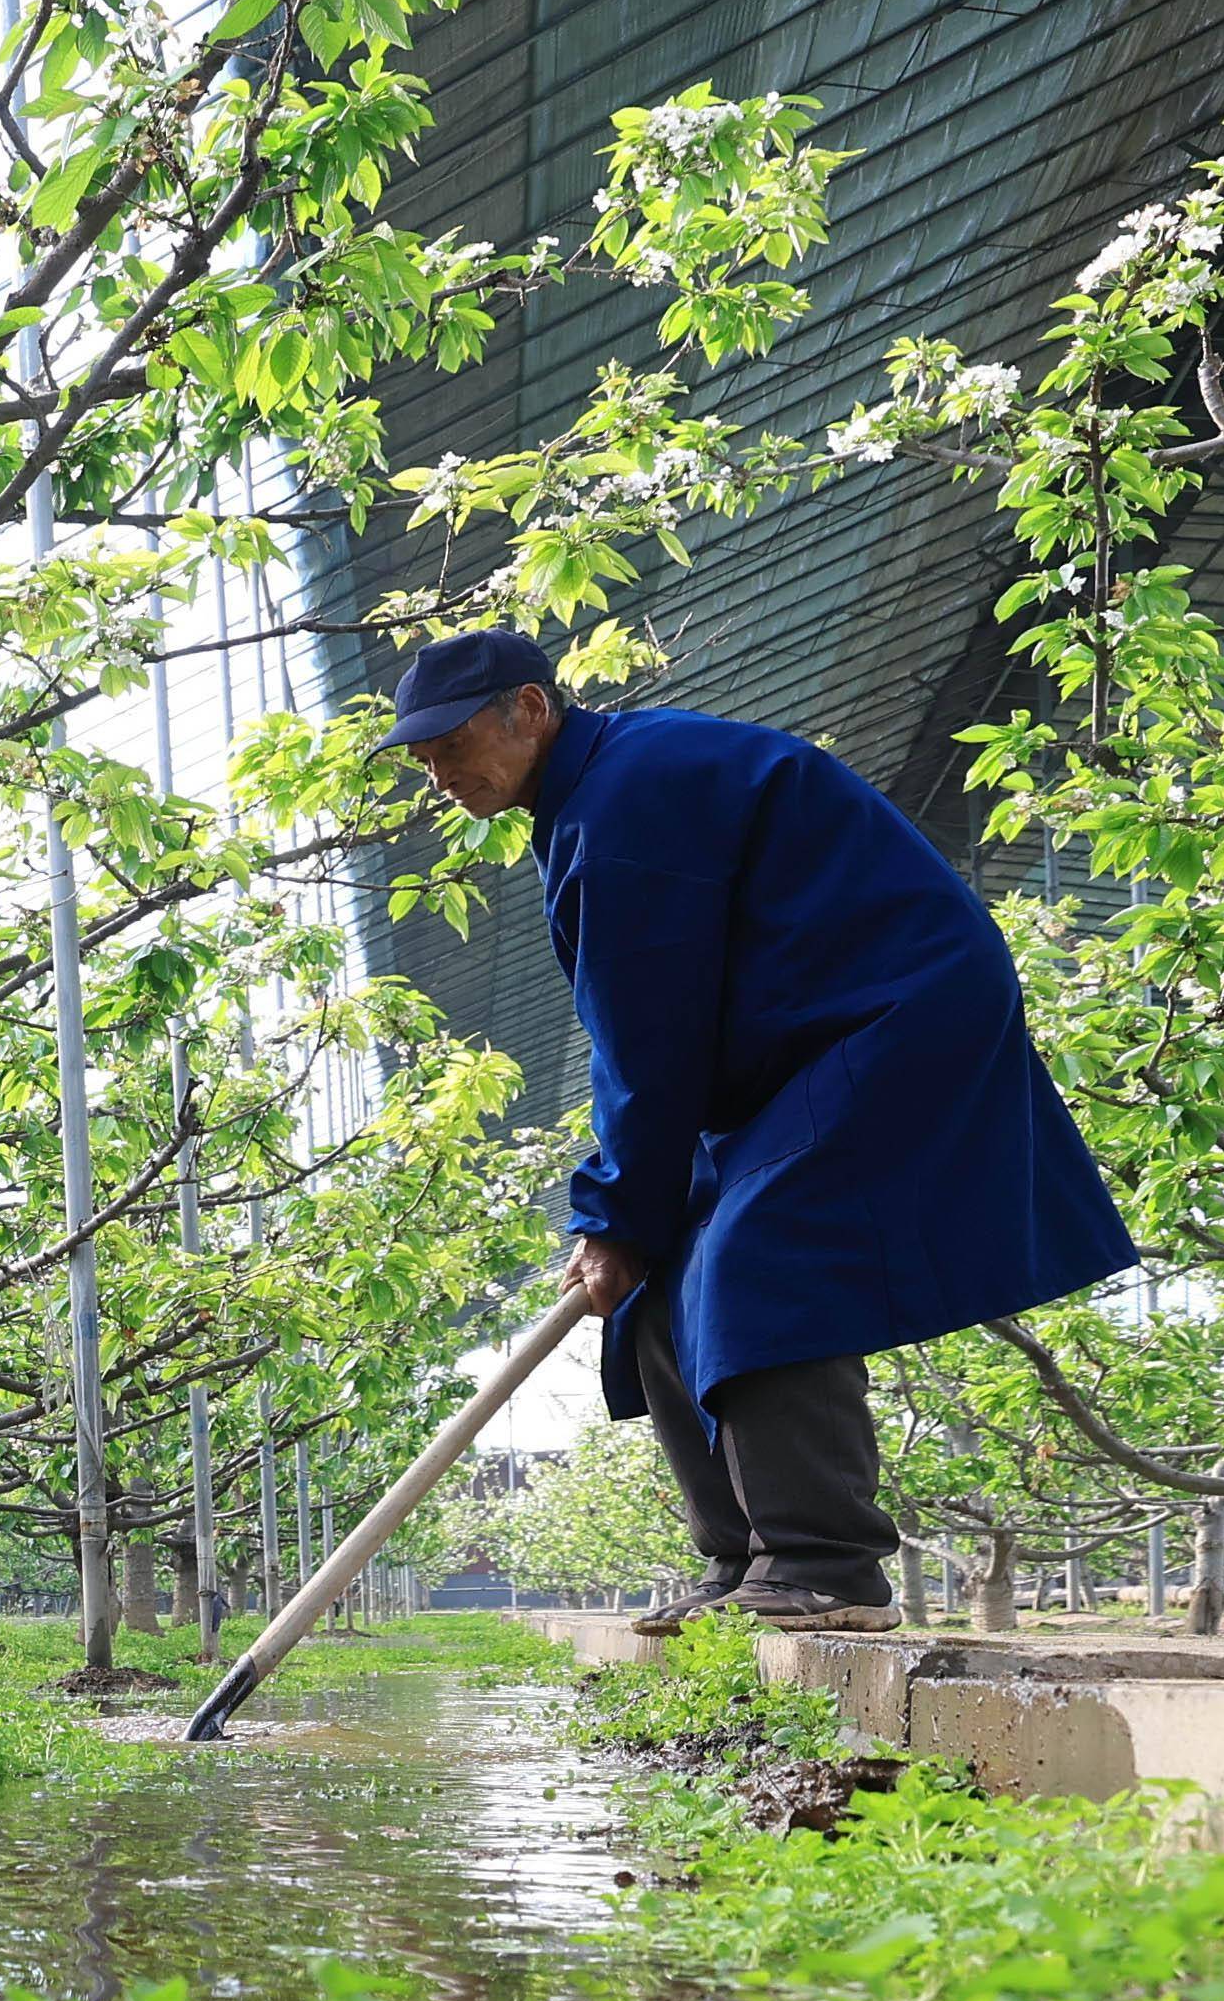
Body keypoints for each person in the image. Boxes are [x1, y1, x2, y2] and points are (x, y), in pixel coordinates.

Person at [386, 628, 1134, 1635]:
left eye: (452, 743)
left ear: (530, 708)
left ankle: (825, 1562)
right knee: (659, 1276)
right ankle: (745, 1558)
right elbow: (662, 1032)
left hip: (891, 1011)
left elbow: (649, 1041)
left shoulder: (624, 802)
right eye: (422, 757)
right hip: (797, 1045)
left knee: (764, 1249)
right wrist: (629, 1227)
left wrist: (612, 1210)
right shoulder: (588, 800)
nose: (438, 773)